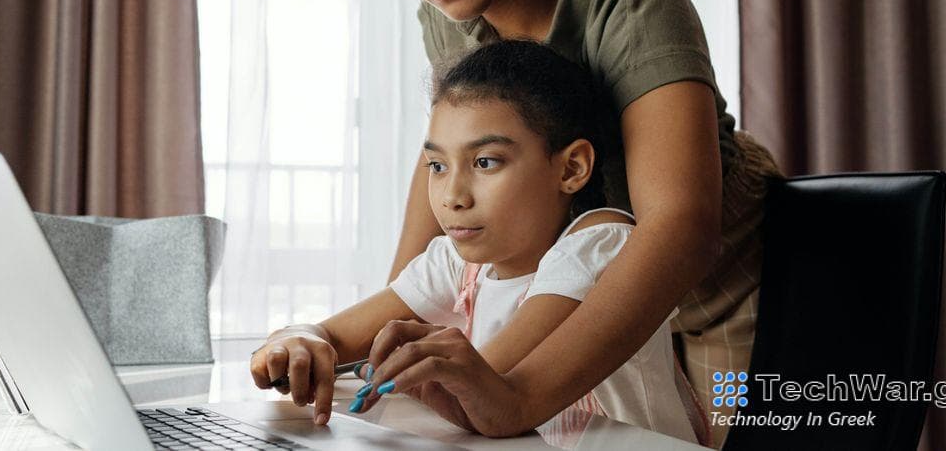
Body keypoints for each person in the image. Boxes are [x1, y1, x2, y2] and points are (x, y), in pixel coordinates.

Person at [334, 0, 782, 447]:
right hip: (581, 284)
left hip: (716, 285)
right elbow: (447, 158)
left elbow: (682, 226)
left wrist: (518, 395)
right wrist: (393, 326)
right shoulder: (448, 13)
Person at [250, 40, 700, 444]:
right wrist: (296, 342)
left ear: (571, 168)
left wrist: (393, 366)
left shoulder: (601, 244)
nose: (452, 197)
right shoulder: (458, 263)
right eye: (438, 166)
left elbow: (485, 387)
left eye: (485, 162)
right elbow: (332, 334)